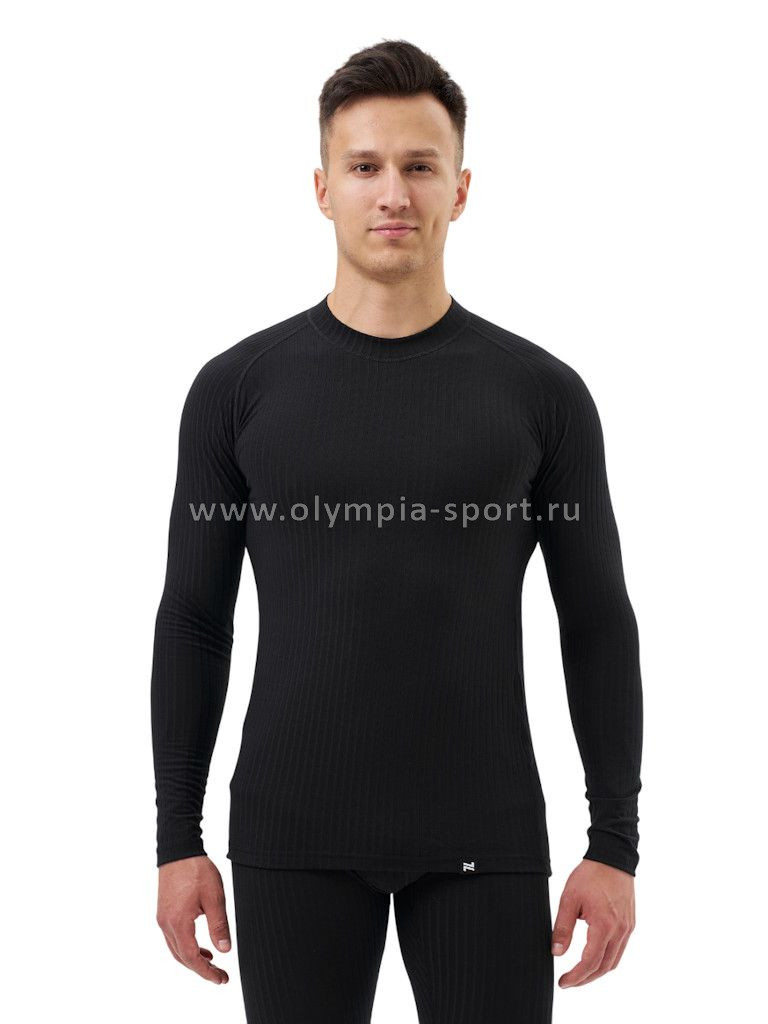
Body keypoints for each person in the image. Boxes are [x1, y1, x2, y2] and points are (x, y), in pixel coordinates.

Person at [151, 39, 643, 1024]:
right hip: (291, 836)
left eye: (419, 166)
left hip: (484, 834)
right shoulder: (237, 391)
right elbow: (195, 619)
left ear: (460, 189)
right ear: (321, 188)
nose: (393, 194)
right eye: (365, 166)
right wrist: (177, 838)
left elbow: (595, 621)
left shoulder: (540, 397)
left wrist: (614, 844)